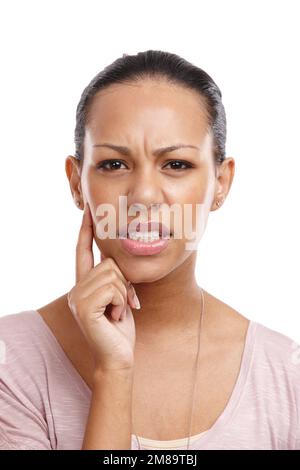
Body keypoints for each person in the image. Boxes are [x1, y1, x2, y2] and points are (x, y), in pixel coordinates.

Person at [0, 50, 299, 451]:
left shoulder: (286, 376)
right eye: (113, 164)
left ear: (221, 183)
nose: (142, 195)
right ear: (76, 183)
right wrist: (114, 373)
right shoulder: (10, 361)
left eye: (175, 165)